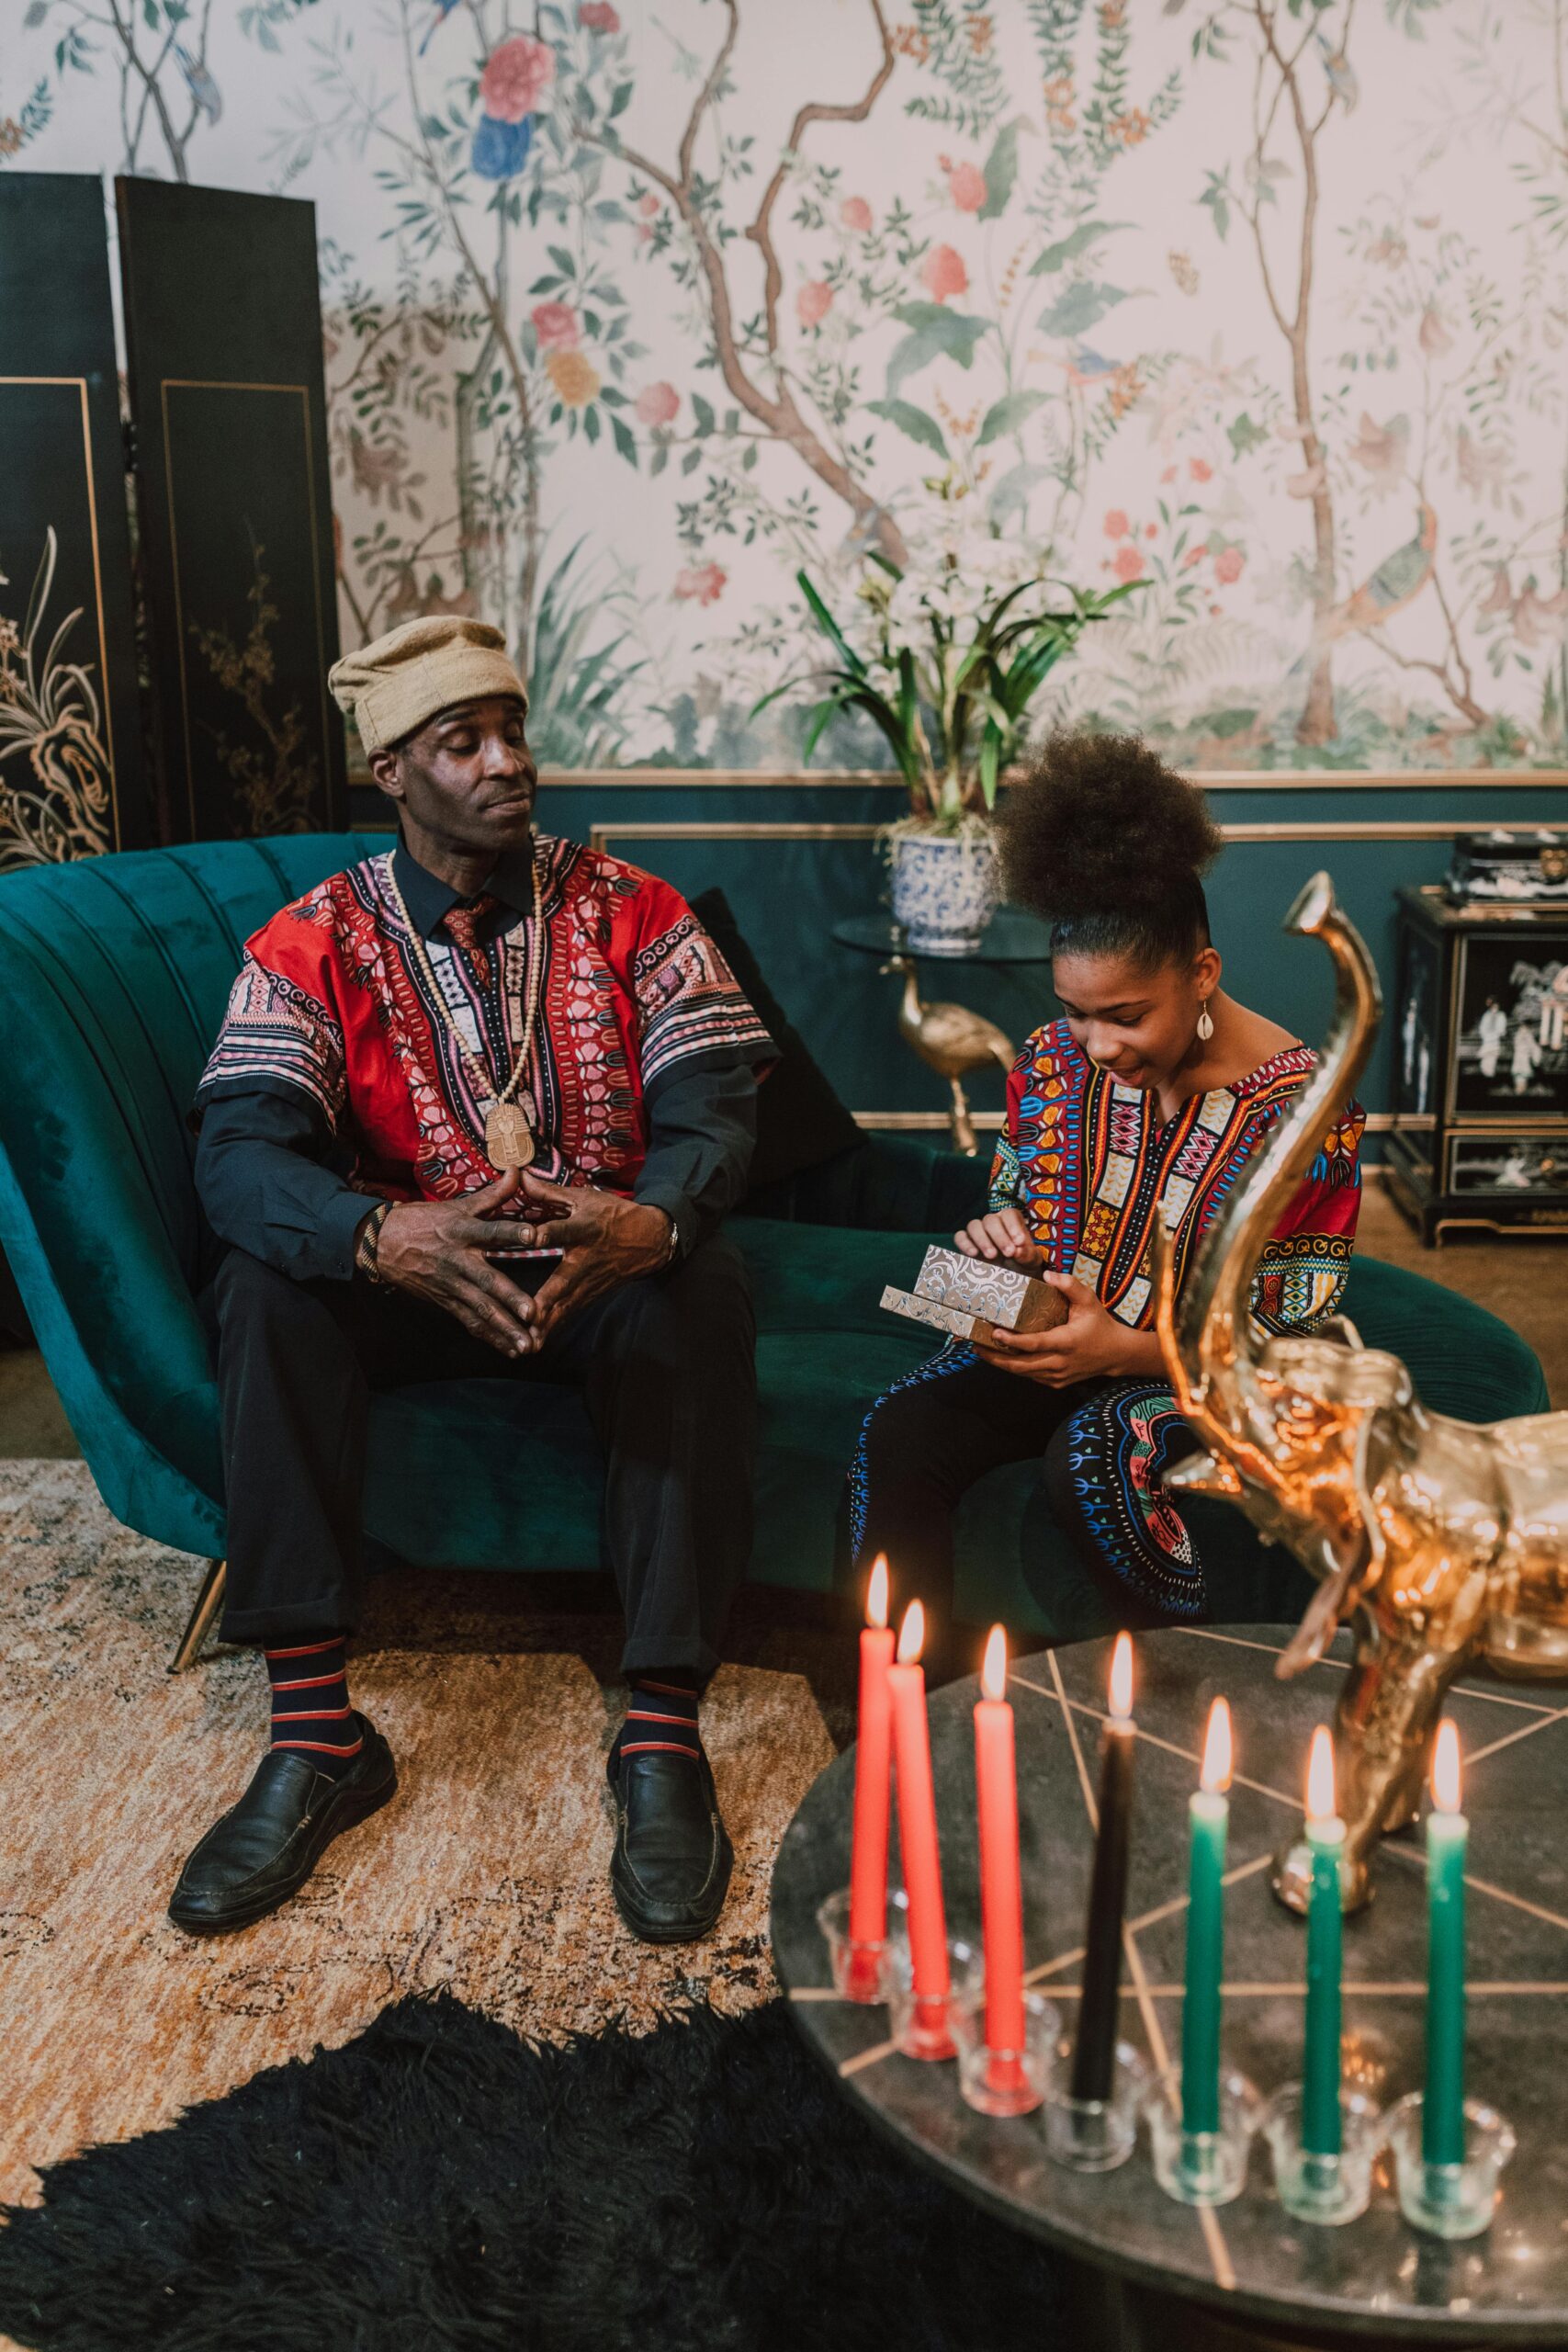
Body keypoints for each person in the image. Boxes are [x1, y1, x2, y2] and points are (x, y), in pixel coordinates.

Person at [171, 616, 774, 1944]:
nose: (507, 763)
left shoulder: (635, 909)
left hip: (599, 1271)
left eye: (513, 731)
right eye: (463, 742)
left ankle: (661, 1734)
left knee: (703, 1284)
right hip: (417, 1276)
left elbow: (714, 1110)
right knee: (266, 1286)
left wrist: (651, 1223)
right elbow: (239, 1154)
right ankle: (317, 1734)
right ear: (390, 769)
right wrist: (380, 1239)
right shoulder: (312, 941)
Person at [848, 733, 1363, 1631]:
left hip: (1200, 1378)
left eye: (1125, 1016)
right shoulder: (1052, 1062)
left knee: (1096, 1456)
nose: (1095, 1045)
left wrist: (1122, 1352)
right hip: (1060, 1341)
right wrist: (1002, 1236)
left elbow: (1289, 1328)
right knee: (900, 1426)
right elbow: (1020, 1192)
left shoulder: (1305, 1115)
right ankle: (912, 1709)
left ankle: (1180, 1692)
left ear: (1202, 975)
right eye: (1075, 1012)